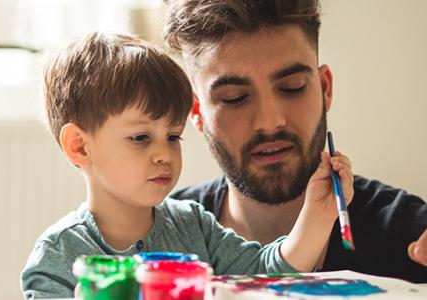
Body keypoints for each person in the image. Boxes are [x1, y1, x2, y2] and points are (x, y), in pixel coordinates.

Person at [20, 32, 354, 299]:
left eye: (173, 137)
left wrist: (316, 215)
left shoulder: (193, 224)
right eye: (140, 137)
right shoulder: (59, 255)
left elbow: (267, 274)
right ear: (79, 146)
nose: (163, 153)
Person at [164, 0, 427, 282]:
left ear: (325, 89)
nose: (269, 121)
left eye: (293, 88)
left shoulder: (409, 237)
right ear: (197, 111)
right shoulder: (158, 236)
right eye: (234, 98)